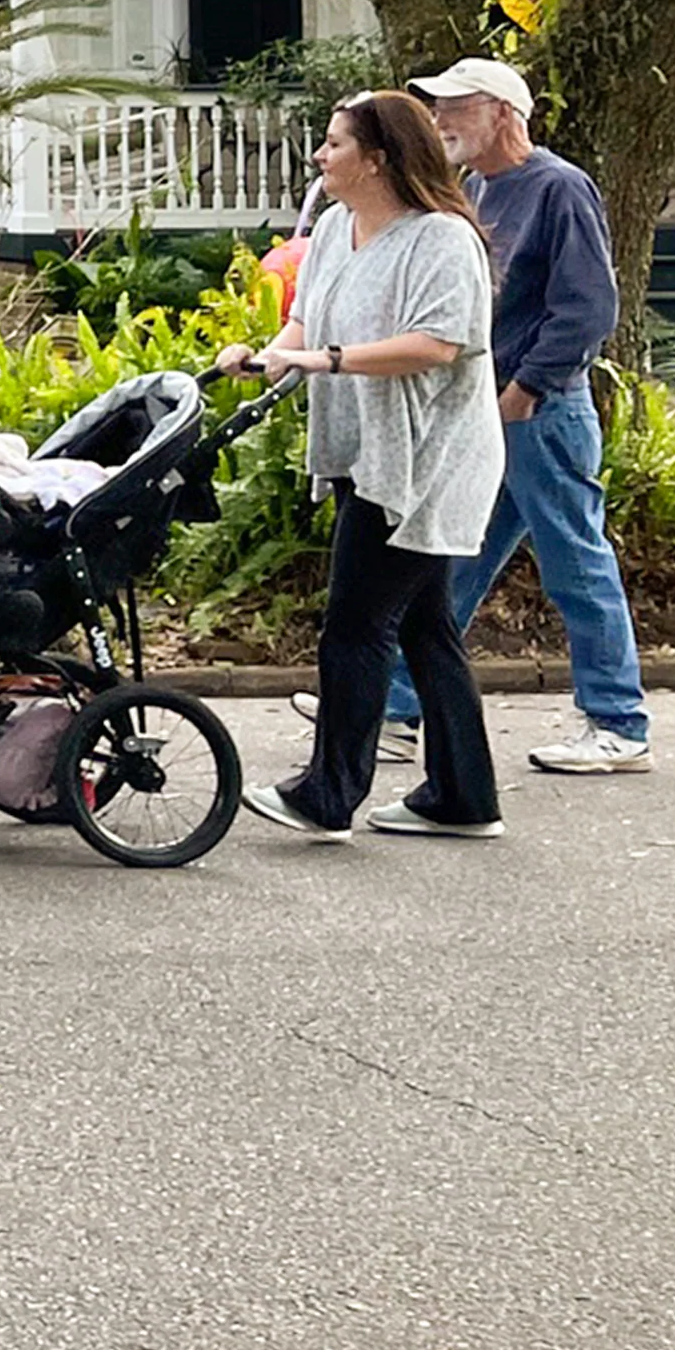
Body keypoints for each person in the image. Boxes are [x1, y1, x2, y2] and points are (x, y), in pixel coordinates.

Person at [347, 55, 649, 778]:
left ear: (506, 113)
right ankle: (395, 707)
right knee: (453, 561)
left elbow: (587, 306)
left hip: (540, 411)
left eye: (458, 106)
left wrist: (527, 390)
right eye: (438, 107)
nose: (441, 119)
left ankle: (617, 721)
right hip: (488, 410)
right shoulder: (473, 188)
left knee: (575, 561)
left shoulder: (558, 186)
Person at [223, 89, 509, 842]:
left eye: (335, 144)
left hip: (427, 464)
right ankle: (463, 796)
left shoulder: (441, 239)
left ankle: (329, 793)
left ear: (377, 158)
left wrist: (328, 360)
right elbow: (305, 322)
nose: (321, 156)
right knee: (424, 627)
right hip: (363, 452)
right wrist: (268, 356)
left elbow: (438, 344)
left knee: (355, 623)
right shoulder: (331, 231)